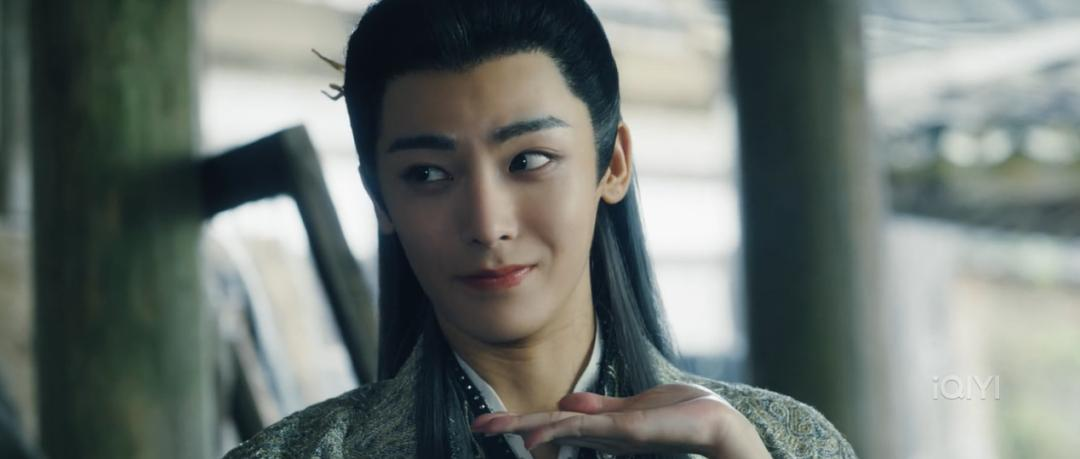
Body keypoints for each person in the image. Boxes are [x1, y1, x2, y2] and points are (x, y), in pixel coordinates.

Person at [225, 0, 857, 457]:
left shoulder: (784, 442)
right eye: (427, 173)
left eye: (527, 160)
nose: (487, 224)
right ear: (380, 199)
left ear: (614, 164)